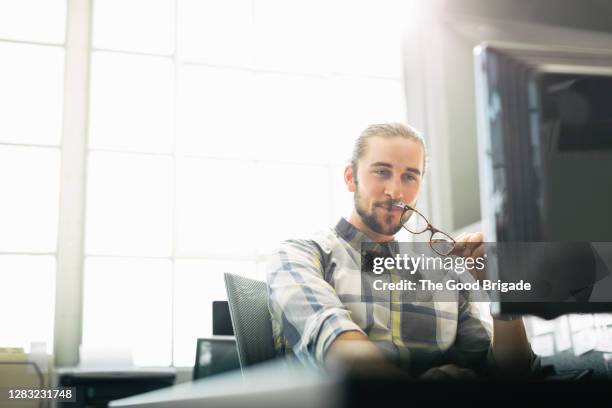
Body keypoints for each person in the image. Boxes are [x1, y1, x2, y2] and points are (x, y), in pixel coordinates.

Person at [266, 123, 537, 379]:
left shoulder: (444, 273)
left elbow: (509, 373)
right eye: (381, 172)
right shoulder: (299, 256)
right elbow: (343, 356)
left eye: (409, 177)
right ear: (351, 178)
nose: (395, 191)